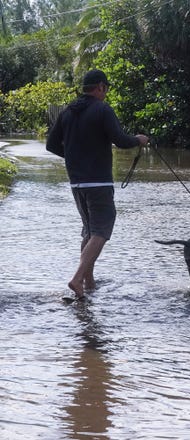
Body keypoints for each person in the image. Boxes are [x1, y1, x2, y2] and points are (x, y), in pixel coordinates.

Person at [46, 69, 149, 299]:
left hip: (77, 183)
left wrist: (74, 158)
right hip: (99, 183)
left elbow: (51, 145)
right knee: (101, 231)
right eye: (106, 89)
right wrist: (138, 140)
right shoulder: (102, 110)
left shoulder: (67, 112)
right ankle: (77, 278)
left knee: (89, 231)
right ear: (100, 87)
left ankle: (88, 282)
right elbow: (120, 140)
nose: (106, 93)